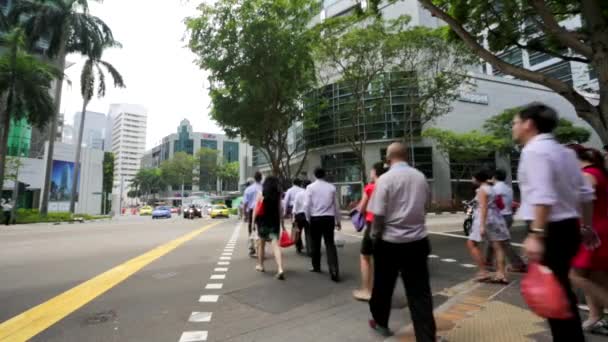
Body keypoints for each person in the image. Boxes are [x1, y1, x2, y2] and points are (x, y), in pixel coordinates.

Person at [514, 102, 595, 342]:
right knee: (562, 293)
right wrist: (585, 226)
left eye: (516, 122)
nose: (514, 127)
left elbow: (543, 196)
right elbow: (586, 194)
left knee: (553, 296)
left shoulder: (534, 151)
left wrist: (537, 234)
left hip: (550, 230)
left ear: (529, 124)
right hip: (569, 227)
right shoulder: (566, 152)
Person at [367, 142, 436, 340]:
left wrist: (375, 237)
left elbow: (378, 214)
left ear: (388, 159)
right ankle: (426, 336)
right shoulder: (421, 177)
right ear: (407, 157)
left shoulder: (385, 179)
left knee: (383, 286)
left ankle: (381, 322)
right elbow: (426, 206)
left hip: (389, 243)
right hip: (417, 241)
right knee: (419, 292)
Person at [567, 145, 608, 335]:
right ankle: (595, 317)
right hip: (598, 229)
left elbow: (584, 200)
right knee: (595, 277)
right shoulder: (597, 171)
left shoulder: (587, 175)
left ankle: (597, 316)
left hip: (591, 231)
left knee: (575, 275)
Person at [467, 169, 511, 284]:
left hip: (484, 219)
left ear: (478, 178)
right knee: (498, 246)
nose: (472, 180)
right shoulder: (492, 188)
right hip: (496, 218)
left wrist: (481, 225)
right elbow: (499, 205)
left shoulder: (482, 189)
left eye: (473, 177)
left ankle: (483, 272)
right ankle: (501, 274)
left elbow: (484, 208)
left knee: (472, 243)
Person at [352, 162, 387, 302]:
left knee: (365, 256)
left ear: (375, 172)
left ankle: (367, 290)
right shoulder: (390, 186)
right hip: (387, 225)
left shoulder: (370, 187)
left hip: (372, 224)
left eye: (371, 171)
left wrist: (356, 207)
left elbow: (361, 209)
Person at [484, 169, 527, 273]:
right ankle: (488, 262)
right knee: (494, 241)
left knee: (502, 242)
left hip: (500, 217)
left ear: (494, 177)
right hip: (508, 216)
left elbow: (490, 202)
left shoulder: (495, 189)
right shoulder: (508, 188)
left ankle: (518, 264)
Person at [305, 167, 341, 282]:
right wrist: (338, 220)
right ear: (324, 175)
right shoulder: (331, 187)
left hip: (315, 218)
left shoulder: (310, 187)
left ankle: (316, 266)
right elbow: (336, 205)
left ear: (315, 175)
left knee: (315, 243)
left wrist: (308, 218)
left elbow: (307, 205)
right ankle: (334, 269)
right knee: (330, 243)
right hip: (329, 218)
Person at [251, 176, 286, 280]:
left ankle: (261, 266)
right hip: (274, 222)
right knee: (275, 244)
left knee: (261, 244)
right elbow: (280, 210)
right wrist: (282, 223)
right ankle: (280, 269)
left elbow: (256, 210)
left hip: (263, 222)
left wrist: (253, 223)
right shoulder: (278, 195)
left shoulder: (261, 194)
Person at [243, 173, 263, 256]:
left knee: (251, 229)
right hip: (262, 211)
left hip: (252, 211)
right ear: (261, 178)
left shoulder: (248, 189)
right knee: (261, 229)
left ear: (254, 179)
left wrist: (245, 214)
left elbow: (245, 203)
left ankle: (252, 247)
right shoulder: (264, 188)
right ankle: (261, 247)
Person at [283, 178, 305, 253]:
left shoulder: (290, 190)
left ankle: (298, 244)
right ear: (300, 183)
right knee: (302, 227)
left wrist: (285, 212)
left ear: (293, 183)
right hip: (303, 209)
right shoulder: (303, 190)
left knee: (296, 227)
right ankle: (300, 244)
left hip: (293, 209)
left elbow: (286, 201)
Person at [293, 179, 312, 256]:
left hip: (299, 215)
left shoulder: (298, 194)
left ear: (302, 185)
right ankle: (310, 250)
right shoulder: (311, 194)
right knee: (309, 233)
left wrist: (293, 216)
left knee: (297, 232)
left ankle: (298, 247)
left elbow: (295, 206)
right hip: (308, 215)